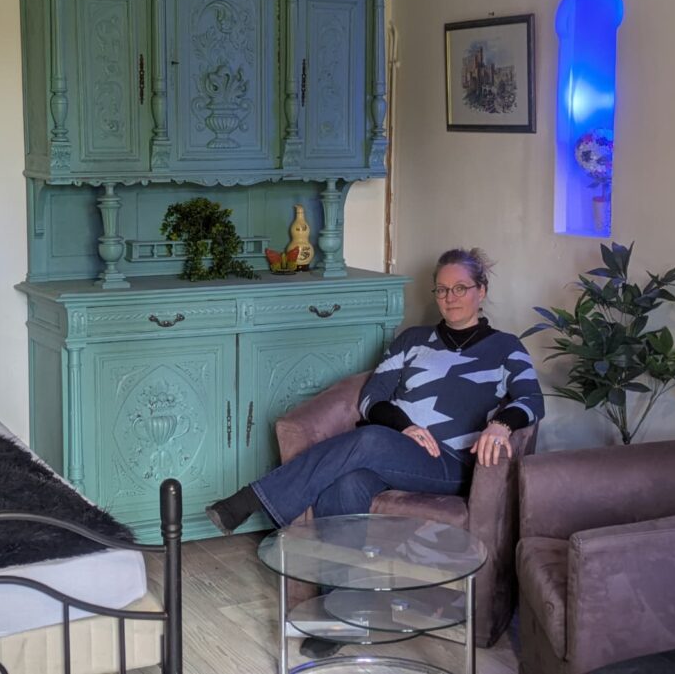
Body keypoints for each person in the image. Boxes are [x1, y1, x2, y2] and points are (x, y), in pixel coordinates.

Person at [206, 247, 544, 657]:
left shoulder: (505, 347)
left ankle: (252, 499)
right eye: (441, 289)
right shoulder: (413, 340)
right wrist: (406, 426)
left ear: (481, 291)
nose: (450, 297)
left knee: (369, 440)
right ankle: (339, 614)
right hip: (399, 450)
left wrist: (500, 424)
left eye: (460, 288)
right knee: (345, 486)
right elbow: (372, 398)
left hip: (451, 462)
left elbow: (531, 400)